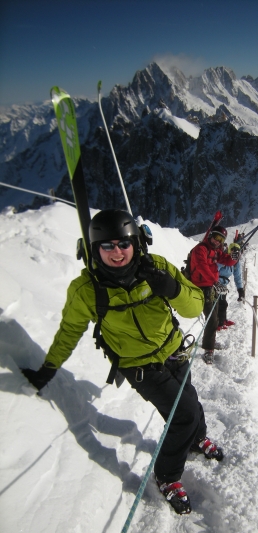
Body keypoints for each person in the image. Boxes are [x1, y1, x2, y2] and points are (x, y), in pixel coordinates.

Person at [21, 209, 223, 516]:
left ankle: (195, 439)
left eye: (123, 244)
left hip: (174, 350)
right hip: (139, 366)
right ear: (94, 249)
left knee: (190, 402)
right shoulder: (87, 289)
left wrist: (173, 287)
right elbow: (70, 330)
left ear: (136, 243)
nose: (117, 252)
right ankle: (167, 476)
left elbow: (196, 305)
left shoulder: (155, 268)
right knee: (184, 413)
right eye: (107, 246)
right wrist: (48, 369)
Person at [189, 225, 237, 364]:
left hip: (211, 286)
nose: (217, 241)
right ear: (210, 235)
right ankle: (208, 350)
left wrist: (234, 258)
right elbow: (201, 266)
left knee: (214, 318)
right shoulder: (201, 249)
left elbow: (227, 260)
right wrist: (214, 282)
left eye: (221, 239)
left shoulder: (215, 251)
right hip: (201, 288)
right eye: (216, 237)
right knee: (211, 318)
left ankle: (210, 341)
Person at [217, 243, 244, 330]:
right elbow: (214, 270)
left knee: (223, 303)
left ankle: (222, 320)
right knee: (220, 304)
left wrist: (240, 289)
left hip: (223, 286)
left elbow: (237, 276)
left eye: (237, 251)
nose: (235, 253)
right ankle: (218, 323)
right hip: (216, 284)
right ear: (229, 250)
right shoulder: (223, 258)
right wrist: (216, 283)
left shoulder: (236, 263)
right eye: (233, 250)